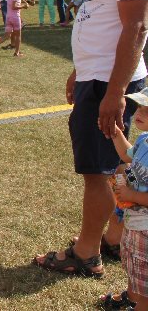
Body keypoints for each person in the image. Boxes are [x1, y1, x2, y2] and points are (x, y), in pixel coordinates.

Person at [34, 0, 148, 279]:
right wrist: (78, 69)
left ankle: (85, 253)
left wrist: (115, 92)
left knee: (97, 172)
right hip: (96, 76)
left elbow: (136, 27)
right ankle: (113, 238)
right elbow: (100, 19)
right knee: (107, 168)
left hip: (108, 83)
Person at [98, 87, 148, 311]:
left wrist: (132, 195)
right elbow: (128, 155)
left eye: (147, 110)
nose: (139, 113)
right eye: (140, 107)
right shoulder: (144, 140)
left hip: (146, 228)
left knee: (144, 274)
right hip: (135, 222)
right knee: (133, 263)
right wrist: (117, 134)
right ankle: (131, 296)